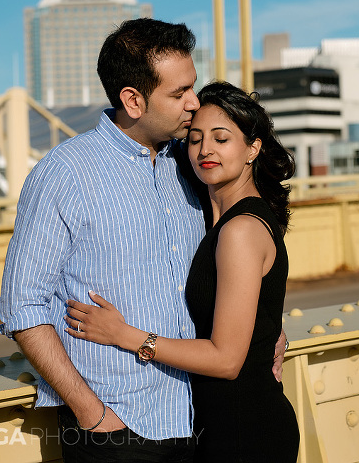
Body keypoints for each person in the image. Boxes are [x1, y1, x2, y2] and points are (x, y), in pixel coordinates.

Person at [0, 19, 286, 463]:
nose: (194, 103)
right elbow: (23, 307)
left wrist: (268, 326)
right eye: (179, 93)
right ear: (132, 100)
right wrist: (93, 415)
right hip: (119, 429)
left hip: (200, 422)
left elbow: (242, 255)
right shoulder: (64, 175)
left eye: (192, 87)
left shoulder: (191, 164)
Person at [65, 81, 300, 462]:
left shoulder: (239, 231)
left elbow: (226, 360)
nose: (205, 150)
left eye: (221, 139)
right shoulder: (217, 217)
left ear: (253, 148)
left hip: (245, 433)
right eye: (194, 139)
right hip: (220, 426)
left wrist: (125, 335)